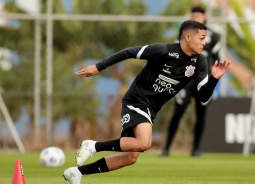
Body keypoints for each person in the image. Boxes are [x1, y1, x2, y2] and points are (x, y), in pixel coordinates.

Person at [63, 20, 230, 184]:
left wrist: (214, 79)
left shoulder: (200, 61)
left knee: (131, 157)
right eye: (201, 38)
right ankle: (92, 146)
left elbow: (203, 97)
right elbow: (128, 52)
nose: (204, 43)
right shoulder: (162, 50)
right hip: (137, 100)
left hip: (152, 108)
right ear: (187, 37)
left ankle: (76, 172)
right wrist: (98, 67)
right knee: (144, 143)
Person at [160, 6, 221, 157]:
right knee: (178, 112)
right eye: (193, 16)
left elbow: (217, 59)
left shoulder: (213, 36)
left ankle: (196, 149)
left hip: (204, 80)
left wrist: (216, 83)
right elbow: (174, 55)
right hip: (185, 81)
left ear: (204, 18)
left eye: (198, 17)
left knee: (201, 114)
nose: (196, 19)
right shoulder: (184, 34)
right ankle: (166, 148)